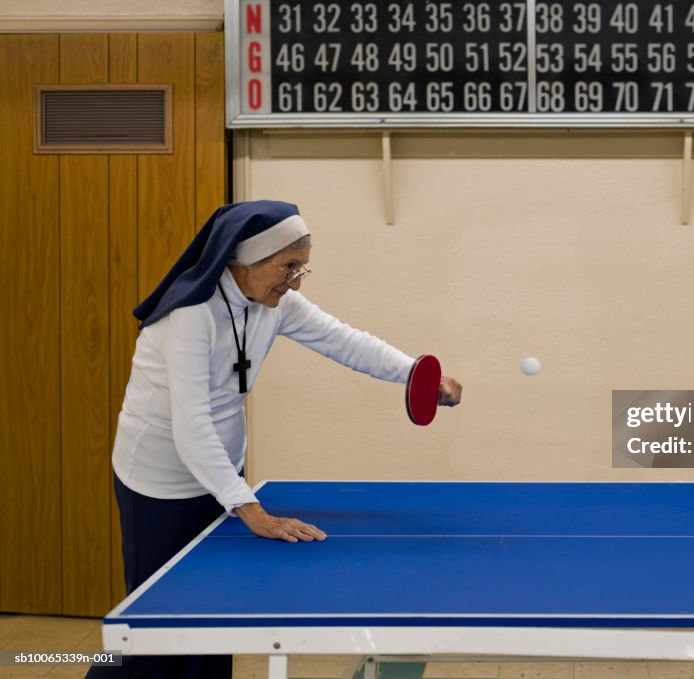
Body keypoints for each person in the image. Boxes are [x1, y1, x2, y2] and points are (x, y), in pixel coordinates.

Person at [87, 200, 461, 679]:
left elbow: (345, 341)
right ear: (245, 260)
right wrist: (251, 511)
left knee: (215, 620)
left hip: (221, 475)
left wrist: (417, 375)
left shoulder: (274, 304)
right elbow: (191, 424)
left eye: (302, 266)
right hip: (158, 483)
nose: (296, 280)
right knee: (153, 632)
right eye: (287, 267)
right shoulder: (189, 315)